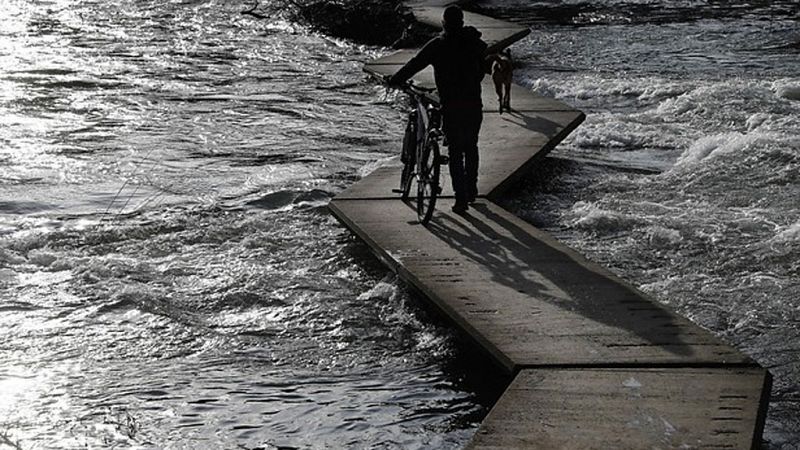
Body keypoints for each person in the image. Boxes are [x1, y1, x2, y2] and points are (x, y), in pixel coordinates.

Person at [388, 5, 487, 214]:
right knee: (471, 147)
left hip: (452, 105)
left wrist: (395, 79)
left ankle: (461, 200)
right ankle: (471, 190)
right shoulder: (474, 43)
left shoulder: (438, 45)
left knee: (455, 150)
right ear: (461, 22)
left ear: (444, 23)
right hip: (473, 103)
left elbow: (415, 64)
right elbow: (482, 71)